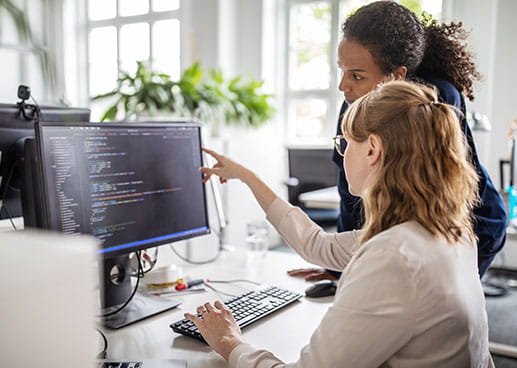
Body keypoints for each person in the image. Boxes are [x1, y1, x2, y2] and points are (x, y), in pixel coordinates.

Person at [186, 80, 494, 367]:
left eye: (344, 143)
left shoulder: (394, 257)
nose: (342, 155)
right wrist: (249, 178)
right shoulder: (444, 231)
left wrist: (229, 343)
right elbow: (316, 245)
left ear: (372, 149)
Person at [288, 0, 507, 282]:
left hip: (468, 226)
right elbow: (350, 194)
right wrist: (340, 266)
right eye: (342, 70)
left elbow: (427, 202)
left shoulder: (435, 100)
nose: (343, 85)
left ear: (397, 75)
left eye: (356, 75)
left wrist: (362, 267)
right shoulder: (353, 104)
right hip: (409, 234)